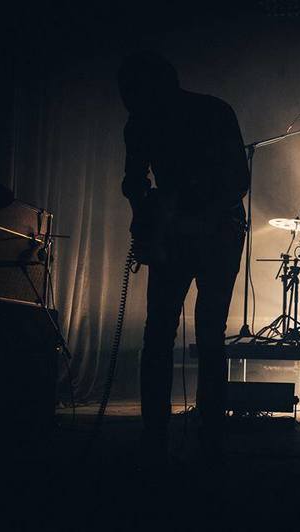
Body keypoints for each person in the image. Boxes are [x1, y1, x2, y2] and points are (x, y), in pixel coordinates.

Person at [118, 51, 249, 464]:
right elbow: (134, 180)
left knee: (198, 331)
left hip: (215, 230)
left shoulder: (209, 113)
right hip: (182, 231)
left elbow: (236, 183)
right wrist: (146, 215)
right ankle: (171, 431)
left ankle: (197, 431)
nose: (126, 100)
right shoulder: (140, 123)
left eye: (131, 92)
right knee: (171, 331)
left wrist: (191, 217)